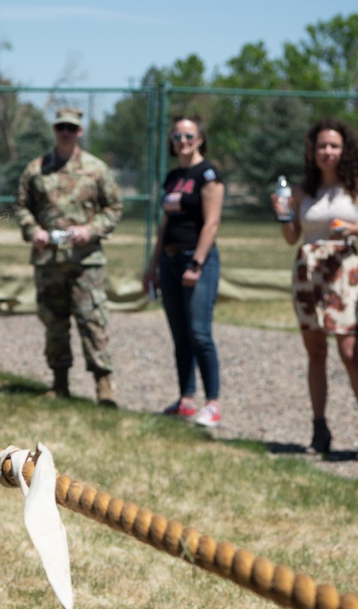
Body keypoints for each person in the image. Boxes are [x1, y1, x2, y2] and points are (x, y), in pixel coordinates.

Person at [271, 118, 358, 458]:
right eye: (322, 146)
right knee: (316, 352)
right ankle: (319, 429)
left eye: (334, 145)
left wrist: (350, 227)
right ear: (313, 151)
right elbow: (292, 238)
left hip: (343, 271)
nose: (328, 152)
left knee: (349, 351)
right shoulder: (304, 190)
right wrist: (283, 214)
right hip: (309, 272)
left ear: (344, 149)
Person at [13, 107, 122, 407]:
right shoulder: (37, 168)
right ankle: (60, 383)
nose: (66, 132)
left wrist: (91, 230)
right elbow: (21, 206)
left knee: (92, 320)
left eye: (71, 128)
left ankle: (104, 385)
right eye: (61, 127)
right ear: (54, 130)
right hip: (48, 260)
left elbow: (113, 208)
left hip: (84, 261)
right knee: (54, 322)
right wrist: (33, 230)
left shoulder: (96, 168)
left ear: (80, 132)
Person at [143, 114, 225, 427]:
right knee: (180, 335)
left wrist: (197, 263)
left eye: (189, 136)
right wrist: (152, 266)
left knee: (200, 332)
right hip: (170, 259)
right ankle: (186, 400)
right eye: (177, 137)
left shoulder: (208, 174)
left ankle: (213, 404)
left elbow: (212, 222)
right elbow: (165, 225)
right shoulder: (173, 177)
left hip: (196, 260)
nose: (183, 142)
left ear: (200, 138)